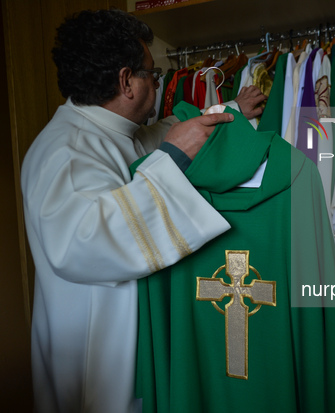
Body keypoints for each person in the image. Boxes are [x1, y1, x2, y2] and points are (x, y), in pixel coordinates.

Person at [20, 9, 266, 413]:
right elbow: (81, 242)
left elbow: (164, 135)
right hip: (99, 355)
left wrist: (231, 109)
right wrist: (171, 157)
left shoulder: (109, 129)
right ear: (125, 81)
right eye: (152, 75)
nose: (156, 83)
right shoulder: (64, 151)